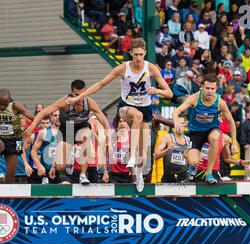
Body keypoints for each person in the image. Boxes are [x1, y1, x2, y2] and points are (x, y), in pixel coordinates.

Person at [64, 38, 173, 191]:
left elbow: (169, 93)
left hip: (145, 108)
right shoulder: (123, 68)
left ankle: (139, 173)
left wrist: (158, 91)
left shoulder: (150, 68)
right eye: (136, 55)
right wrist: (78, 98)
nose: (139, 58)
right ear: (131, 53)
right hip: (126, 107)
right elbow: (100, 84)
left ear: (145, 53)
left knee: (144, 149)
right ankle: (132, 157)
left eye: (141, 55)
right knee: (137, 116)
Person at [23, 80, 111, 185]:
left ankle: (82, 175)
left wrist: (108, 135)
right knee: (60, 167)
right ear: (71, 93)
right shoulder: (64, 102)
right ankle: (65, 167)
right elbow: (44, 112)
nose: (78, 98)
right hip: (67, 130)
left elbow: (103, 119)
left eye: (82, 95)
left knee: (86, 135)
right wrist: (32, 126)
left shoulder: (90, 103)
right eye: (76, 95)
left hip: (81, 128)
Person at [172, 73, 239, 184]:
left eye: (212, 89)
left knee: (214, 138)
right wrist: (176, 123)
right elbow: (176, 112)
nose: (209, 91)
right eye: (207, 88)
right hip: (196, 132)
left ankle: (209, 173)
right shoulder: (194, 98)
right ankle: (191, 165)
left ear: (216, 89)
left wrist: (235, 143)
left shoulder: (220, 102)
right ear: (202, 87)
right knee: (193, 162)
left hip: (211, 130)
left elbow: (231, 122)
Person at [154, 114, 191, 183]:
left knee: (183, 194)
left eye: (182, 124)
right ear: (173, 124)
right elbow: (155, 156)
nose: (180, 126)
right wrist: (167, 150)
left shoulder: (188, 140)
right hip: (168, 178)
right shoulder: (167, 137)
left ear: (185, 125)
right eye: (178, 124)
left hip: (184, 178)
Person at [109, 115, 131, 183]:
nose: (122, 123)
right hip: (114, 174)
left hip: (129, 174)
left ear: (128, 124)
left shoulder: (133, 136)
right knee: (116, 193)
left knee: (127, 193)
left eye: (124, 121)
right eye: (120, 121)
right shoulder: (112, 136)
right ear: (117, 124)